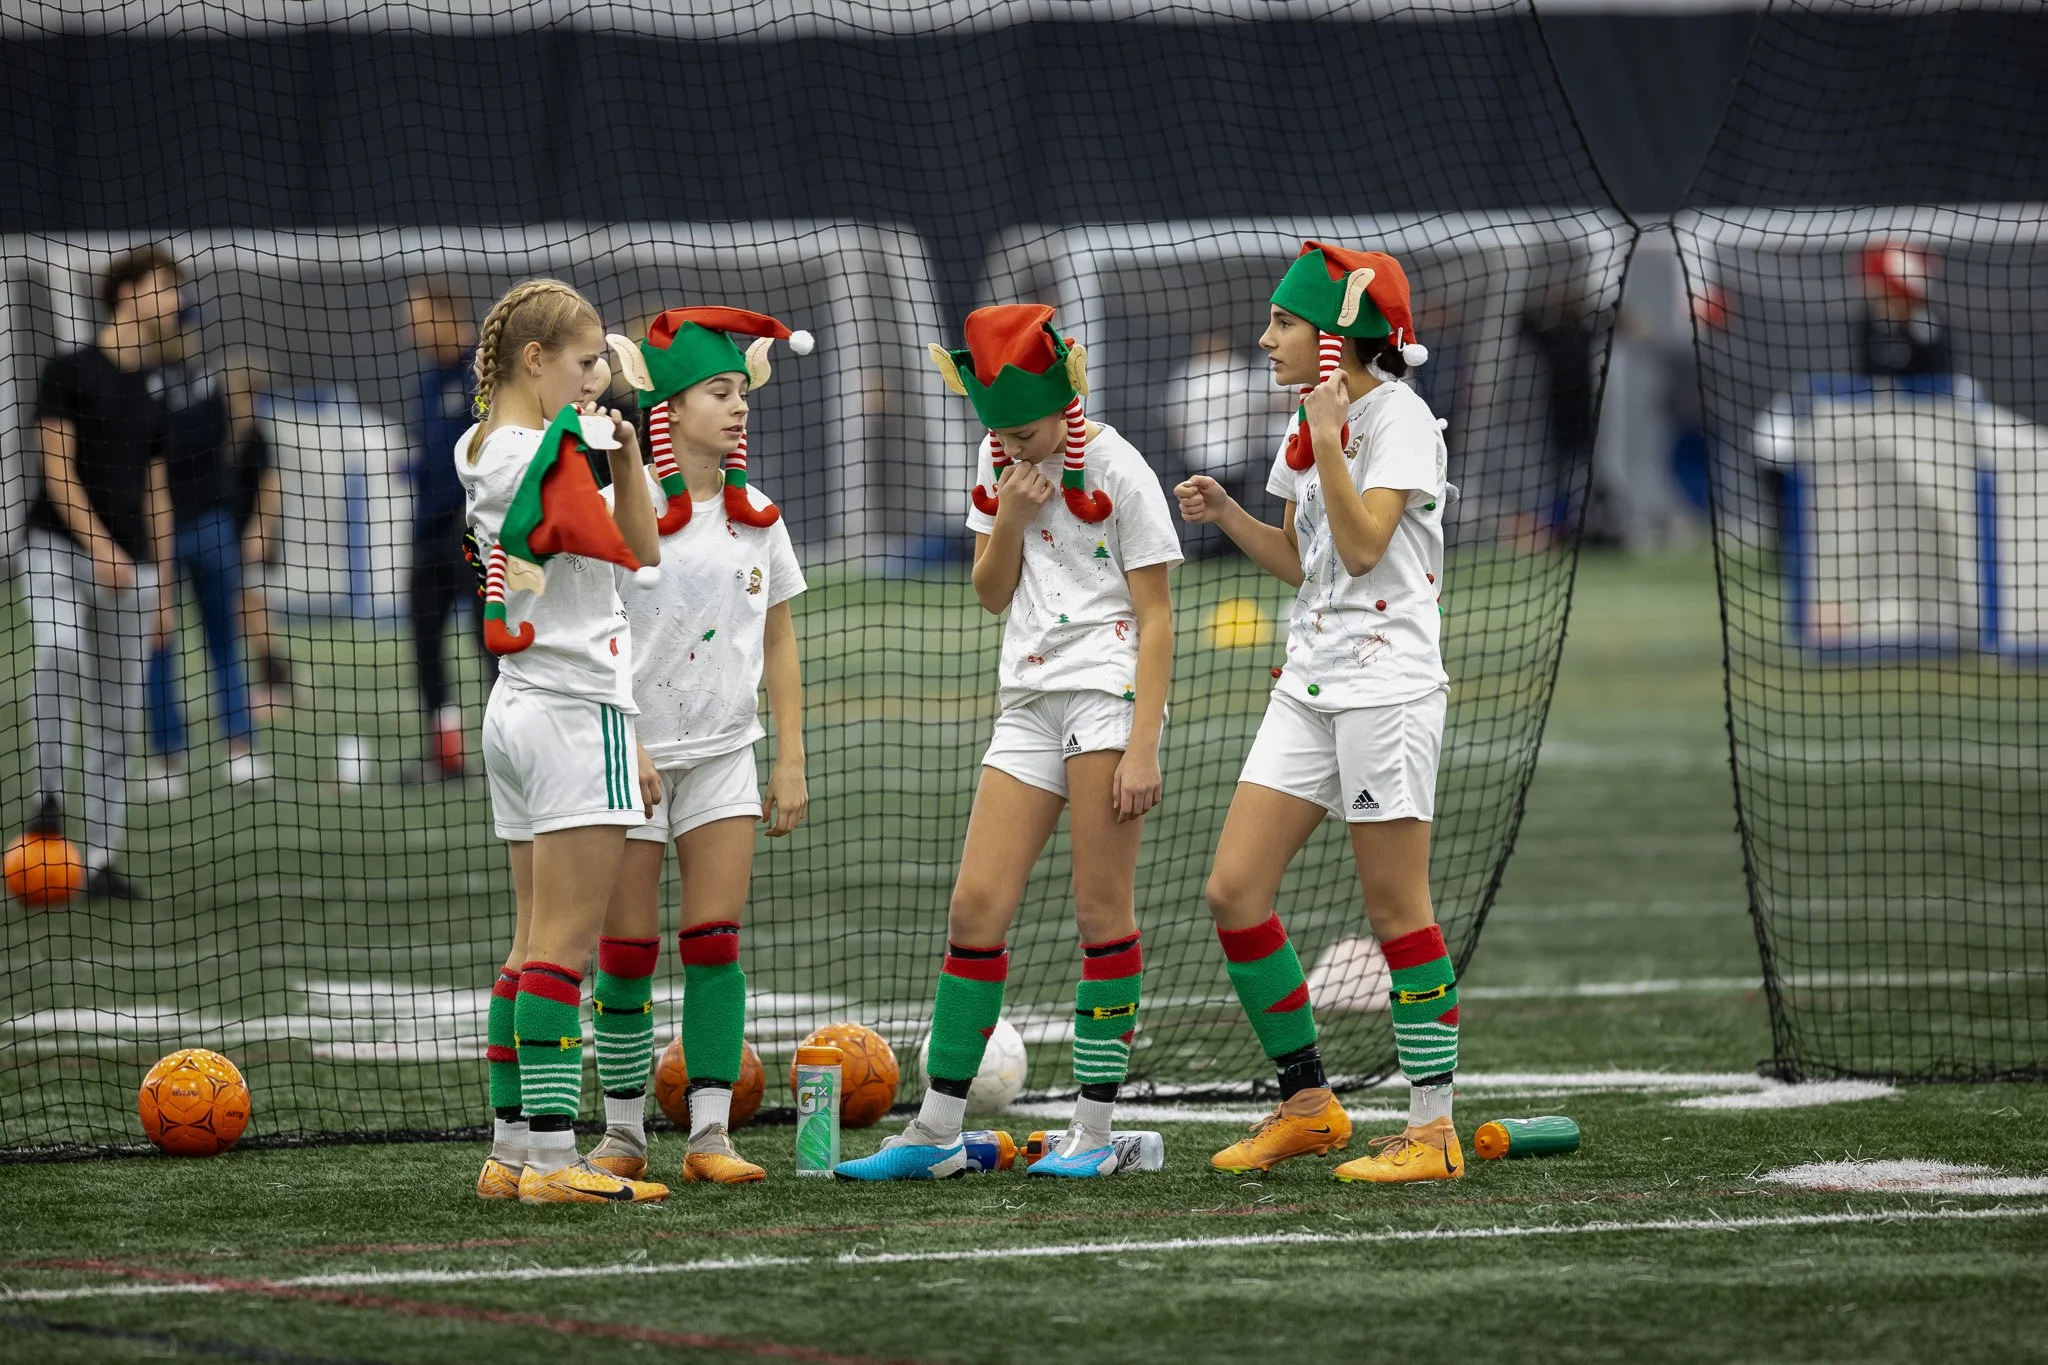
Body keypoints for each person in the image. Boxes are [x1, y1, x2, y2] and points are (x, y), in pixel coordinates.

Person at [837, 304, 1180, 1181]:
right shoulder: (998, 460)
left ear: (1064, 404)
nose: (1010, 447)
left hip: (1108, 695)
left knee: (1102, 915)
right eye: (997, 432)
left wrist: (1143, 745)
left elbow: (1157, 616)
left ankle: (1094, 1134)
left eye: (1024, 431)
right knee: (973, 908)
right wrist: (1013, 517)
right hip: (1026, 700)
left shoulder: (1120, 469)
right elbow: (991, 592)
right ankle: (937, 1134)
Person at [1175, 242, 1464, 1184]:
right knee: (1233, 890)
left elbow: (1366, 540)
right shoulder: (1310, 424)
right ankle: (1308, 1104)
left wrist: (1334, 439)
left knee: (1396, 912)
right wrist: (1228, 516)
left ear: (1338, 341)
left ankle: (1433, 1132)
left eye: (1285, 324)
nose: (1267, 339)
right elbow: (1310, 561)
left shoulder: (1402, 419)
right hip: (1309, 683)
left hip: (1388, 688)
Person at [581, 306, 814, 1187]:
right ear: (668, 409)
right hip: (631, 754)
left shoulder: (761, 519)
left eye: (740, 392)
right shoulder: (611, 510)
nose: (738, 407)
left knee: (715, 939)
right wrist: (626, 739)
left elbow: (780, 638)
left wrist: (788, 755)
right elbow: (595, 635)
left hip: (724, 753)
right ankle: (623, 1134)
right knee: (628, 951)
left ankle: (711, 1135)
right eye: (719, 392)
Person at [457, 278, 667, 1206]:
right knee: (560, 951)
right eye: (580, 363)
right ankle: (550, 1159)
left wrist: (621, 442)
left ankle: (509, 1151)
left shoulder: (514, 442)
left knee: (528, 945)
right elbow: (603, 532)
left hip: (528, 705)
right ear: (532, 361)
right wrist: (612, 404)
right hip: (575, 706)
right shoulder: (518, 450)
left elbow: (643, 543)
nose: (594, 379)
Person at [19, 246, 183, 900]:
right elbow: (56, 471)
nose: (174, 300)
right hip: (58, 550)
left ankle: (99, 861)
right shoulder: (68, 370)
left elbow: (156, 490)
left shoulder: (157, 386)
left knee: (120, 714)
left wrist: (162, 586)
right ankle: (48, 800)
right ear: (126, 294)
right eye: (164, 287)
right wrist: (100, 548)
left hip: (134, 572)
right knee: (57, 653)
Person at [142, 332, 270, 794]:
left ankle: (232, 750)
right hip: (167, 525)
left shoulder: (193, 382)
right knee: (162, 641)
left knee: (218, 639)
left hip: (200, 523)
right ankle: (171, 758)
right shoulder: (168, 382)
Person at [402, 279, 488, 778]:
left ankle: (512, 746)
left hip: (473, 534)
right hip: (427, 535)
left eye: (417, 315)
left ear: (444, 311)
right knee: (426, 647)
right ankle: (445, 754)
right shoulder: (426, 379)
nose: (409, 327)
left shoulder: (481, 373)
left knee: (490, 641)